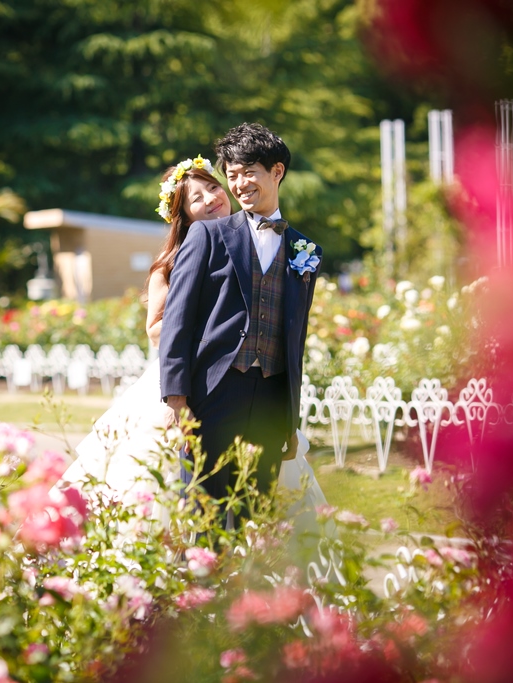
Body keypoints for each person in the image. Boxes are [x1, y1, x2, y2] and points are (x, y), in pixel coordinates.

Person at [58, 156, 231, 522]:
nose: (211, 198)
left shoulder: (249, 243)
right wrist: (201, 326)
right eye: (196, 197)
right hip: (180, 377)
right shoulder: (169, 264)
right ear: (183, 216)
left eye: (212, 187)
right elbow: (155, 329)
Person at [159, 123, 323, 509]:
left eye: (249, 172)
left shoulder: (306, 250)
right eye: (231, 175)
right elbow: (177, 320)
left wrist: (290, 418)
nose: (239, 184)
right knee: (204, 513)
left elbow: (295, 338)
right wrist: (176, 400)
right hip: (213, 392)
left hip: (270, 396)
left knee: (255, 519)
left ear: (277, 171)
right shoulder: (208, 236)